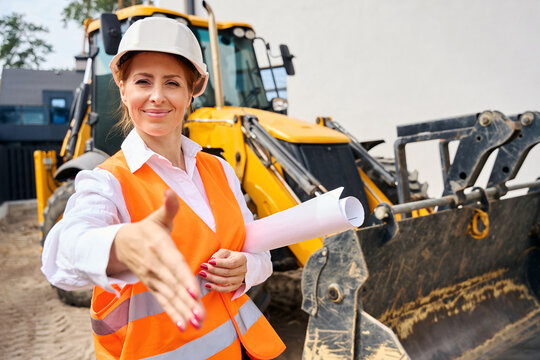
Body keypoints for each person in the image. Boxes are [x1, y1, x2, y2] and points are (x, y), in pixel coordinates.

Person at [41, 17, 285, 360]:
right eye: (143, 81)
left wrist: (248, 267)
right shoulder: (107, 182)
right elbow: (62, 254)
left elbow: (260, 253)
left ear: (191, 92)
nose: (157, 97)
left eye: (172, 83)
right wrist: (118, 245)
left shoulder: (220, 170)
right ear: (123, 89)